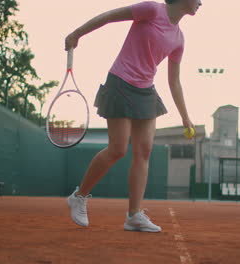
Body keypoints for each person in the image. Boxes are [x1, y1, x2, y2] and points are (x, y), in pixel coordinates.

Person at [65, 0, 201, 232]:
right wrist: (77, 33)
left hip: (146, 90)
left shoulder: (179, 39)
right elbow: (109, 16)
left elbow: (174, 81)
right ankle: (79, 196)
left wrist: (185, 117)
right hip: (121, 82)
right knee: (118, 149)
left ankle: (134, 215)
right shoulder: (151, 9)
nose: (201, 2)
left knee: (144, 151)